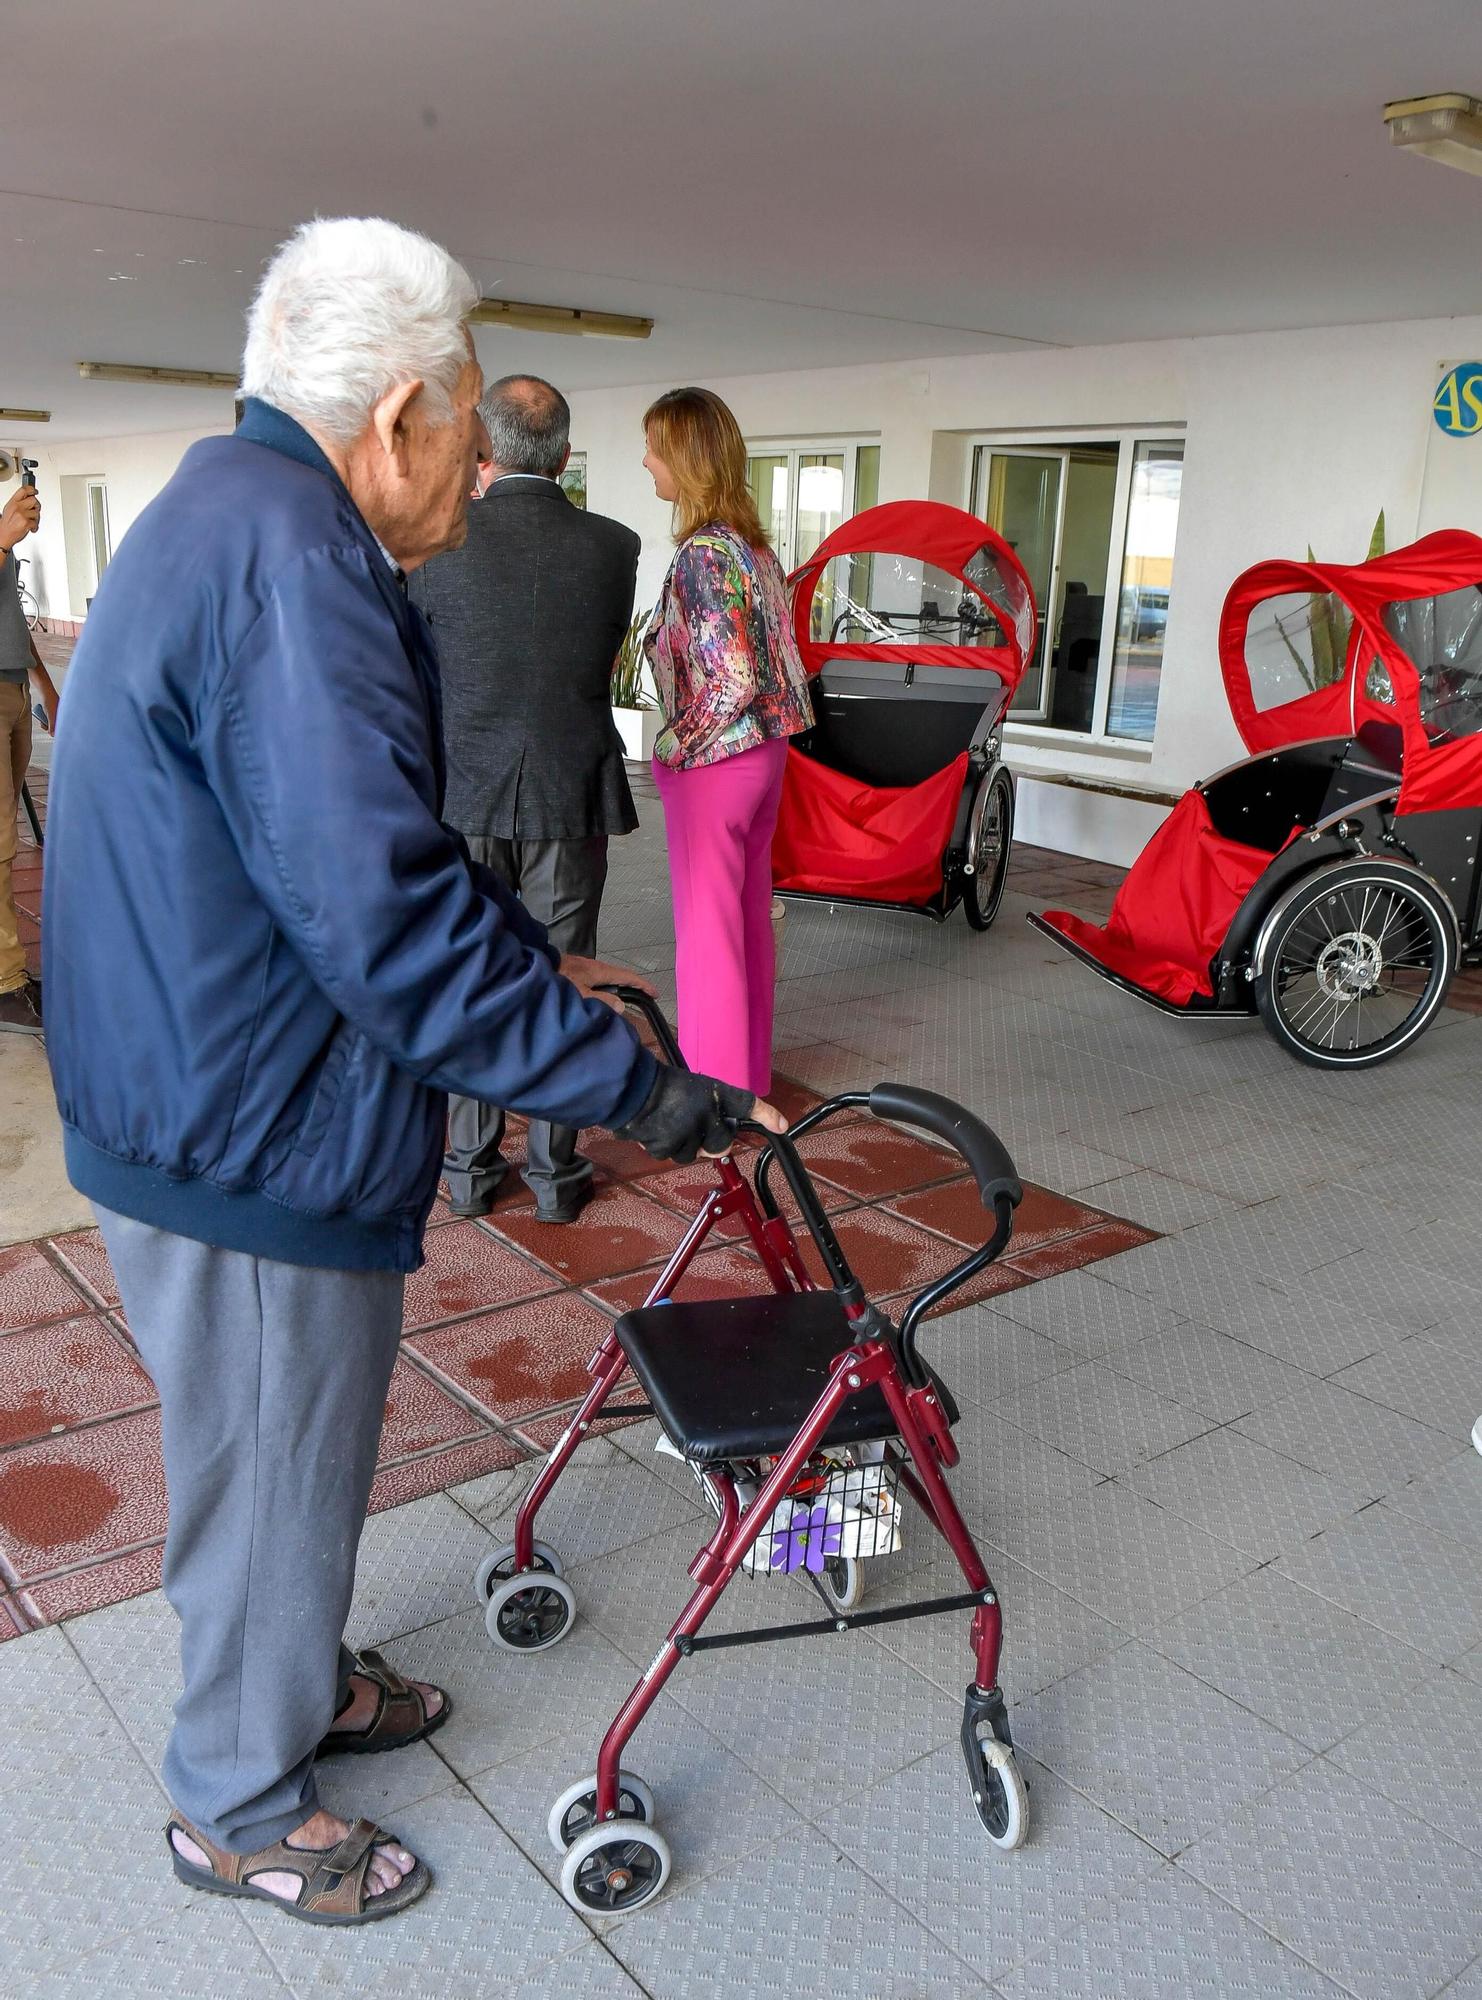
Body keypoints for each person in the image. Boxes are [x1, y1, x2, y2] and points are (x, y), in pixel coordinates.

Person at [43, 217, 782, 1927]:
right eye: (464, 427)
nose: (479, 471)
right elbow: (377, 927)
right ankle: (232, 1799)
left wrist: (540, 966)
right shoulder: (294, 567)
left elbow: (347, 857)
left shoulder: (226, 518)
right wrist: (640, 1089)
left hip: (214, 1084)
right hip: (244, 1131)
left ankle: (288, 1688)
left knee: (294, 1444)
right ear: (396, 418)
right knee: (272, 1456)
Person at [410, 375, 640, 1224]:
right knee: (566, 976)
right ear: (567, 457)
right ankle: (554, 1176)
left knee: (470, 973)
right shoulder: (615, 546)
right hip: (569, 785)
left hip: (461, 790)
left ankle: (468, 1170)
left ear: (482, 457)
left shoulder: (438, 545)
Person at [642, 386, 814, 1094]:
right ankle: (746, 1078)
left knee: (707, 933)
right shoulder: (756, 549)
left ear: (685, 459)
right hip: (766, 757)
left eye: (654, 447)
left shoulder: (702, 556)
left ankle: (713, 1092)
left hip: (717, 761)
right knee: (745, 918)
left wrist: (675, 744)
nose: (646, 462)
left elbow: (733, 676)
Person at [0, 483, 59, 1034]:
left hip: (12, 686)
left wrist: (42, 681)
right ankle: (5, 981)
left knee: (8, 838)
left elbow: (8, 610)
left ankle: (9, 969)